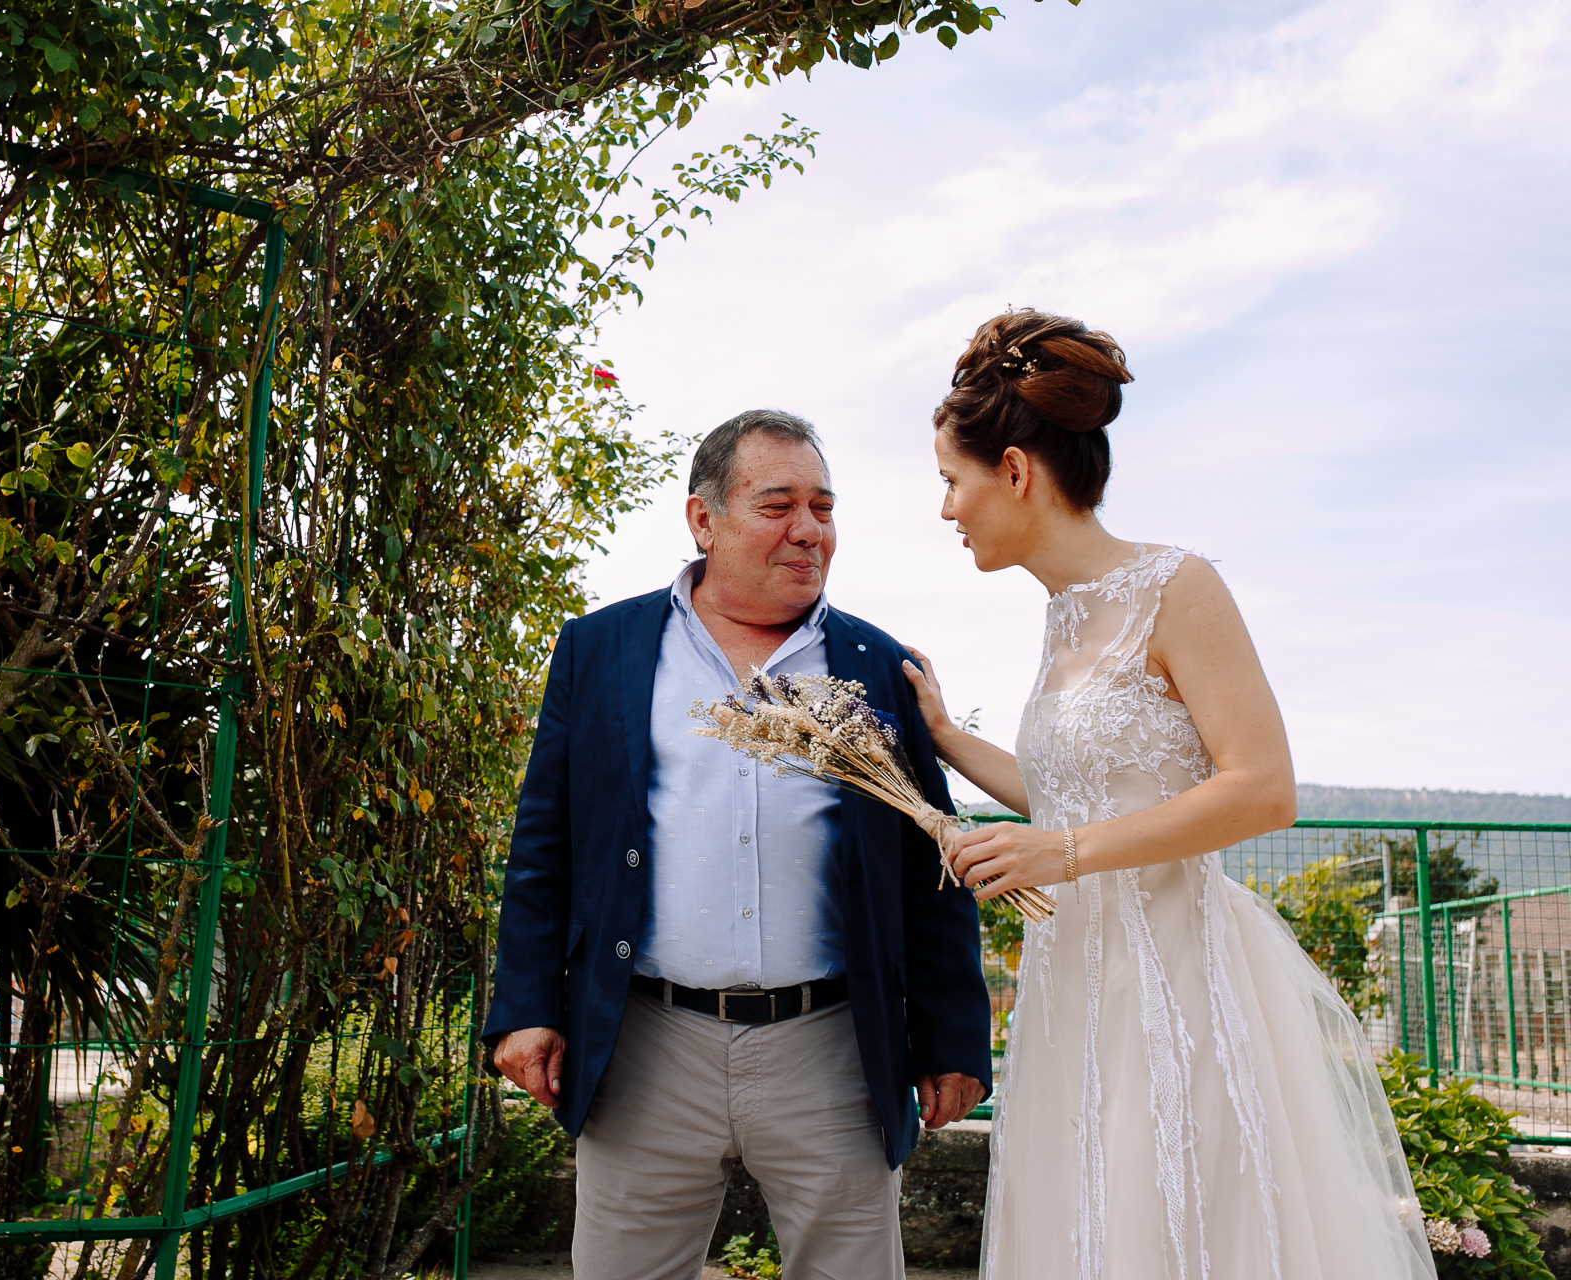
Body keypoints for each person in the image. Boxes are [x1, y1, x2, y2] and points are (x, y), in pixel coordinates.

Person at [904, 309, 1437, 1279]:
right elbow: (1078, 794)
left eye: (952, 480)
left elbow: (1263, 789)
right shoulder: (1064, 616)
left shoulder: (1177, 585)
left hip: (1179, 983)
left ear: (1016, 471)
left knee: (1181, 1226)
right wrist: (947, 738)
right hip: (1076, 994)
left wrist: (1056, 852)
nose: (947, 508)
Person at [482, 410, 992, 1280]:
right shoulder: (599, 648)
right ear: (703, 519)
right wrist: (527, 1003)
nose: (809, 530)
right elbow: (546, 842)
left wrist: (952, 1036)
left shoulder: (874, 663)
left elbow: (925, 861)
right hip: (646, 1042)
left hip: (831, 1046)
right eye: (779, 504)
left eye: (824, 508)